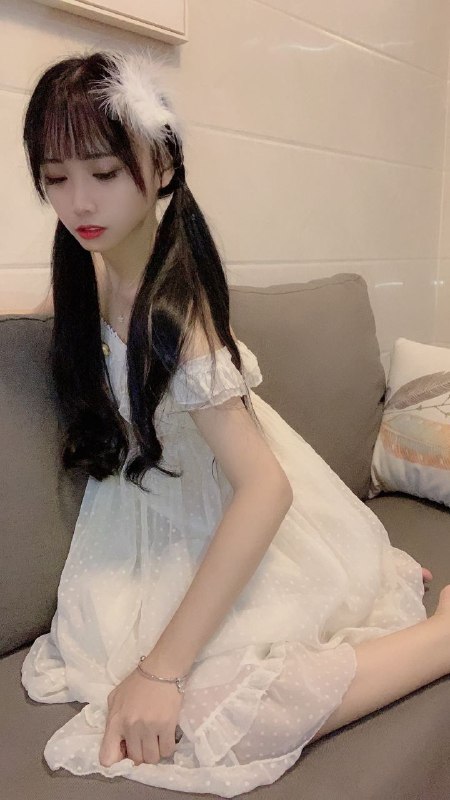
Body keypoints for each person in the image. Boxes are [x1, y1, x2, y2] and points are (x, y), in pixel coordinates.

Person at [20, 48, 448, 798]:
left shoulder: (177, 318)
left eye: (104, 172)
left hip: (237, 518)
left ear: (160, 165)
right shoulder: (87, 270)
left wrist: (162, 671)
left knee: (225, 718)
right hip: (148, 530)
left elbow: (266, 489)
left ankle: (441, 638)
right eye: (56, 178)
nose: (78, 202)